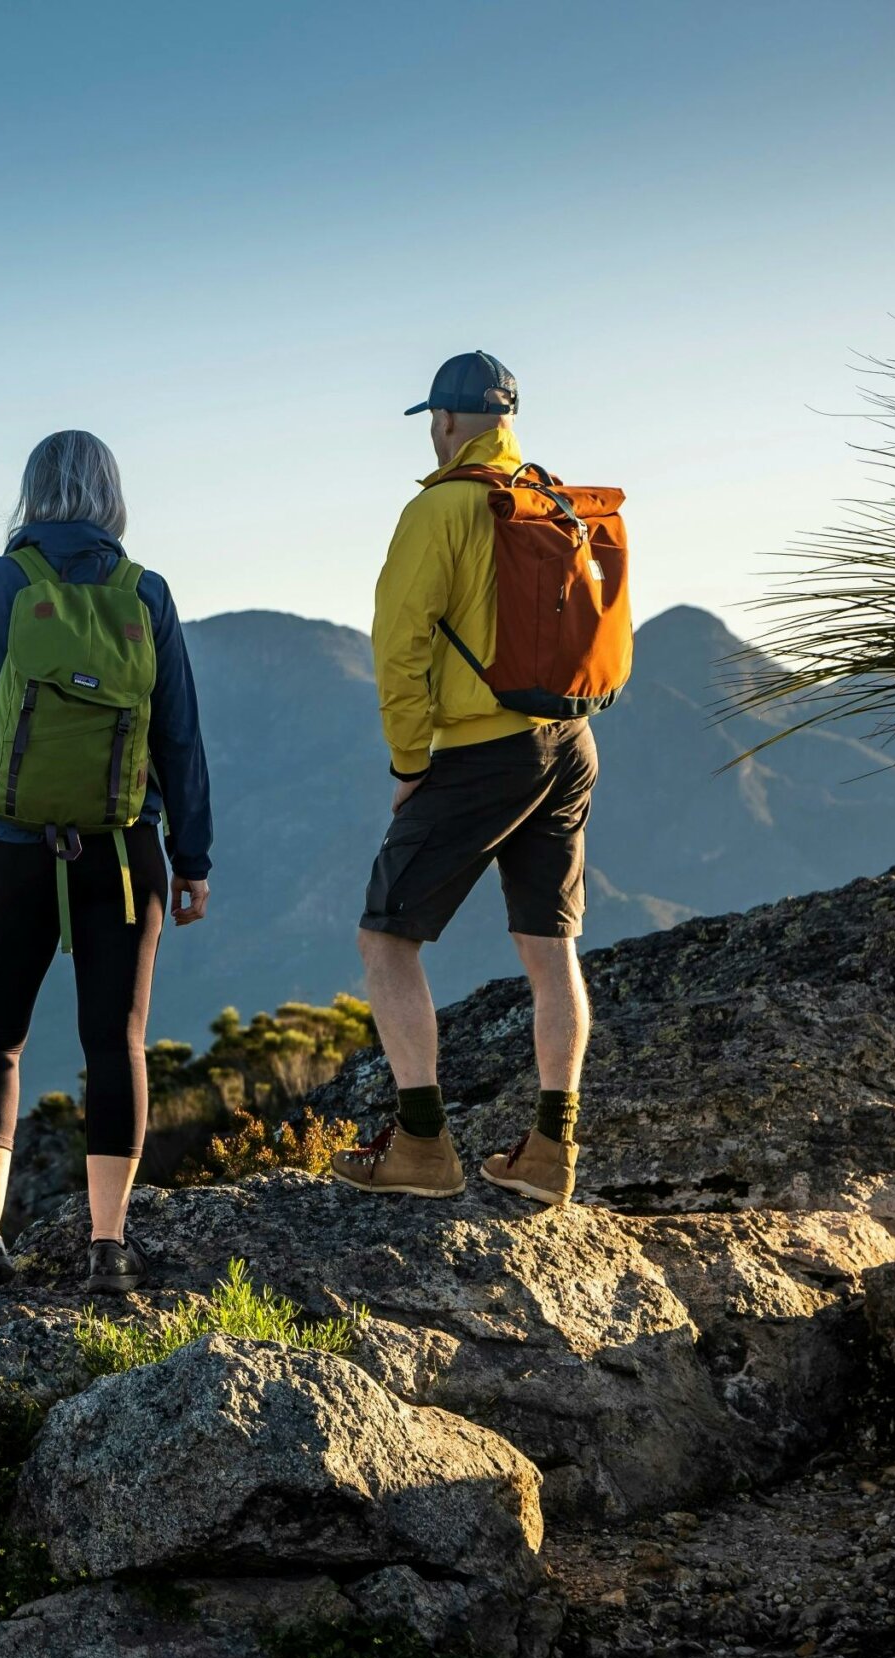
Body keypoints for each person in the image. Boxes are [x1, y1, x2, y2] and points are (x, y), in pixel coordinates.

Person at [0, 429, 213, 1294]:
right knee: (114, 1042)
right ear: (111, 498)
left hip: (14, 850)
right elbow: (180, 738)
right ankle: (109, 1245)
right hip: (125, 857)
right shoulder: (145, 593)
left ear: (30, 496)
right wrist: (192, 856)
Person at [328, 351, 594, 1206]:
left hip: (484, 752)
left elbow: (398, 651)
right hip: (570, 739)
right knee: (551, 948)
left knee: (386, 936)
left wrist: (410, 764)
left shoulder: (439, 509)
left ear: (444, 423)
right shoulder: (548, 497)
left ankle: (420, 1144)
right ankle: (552, 1151)